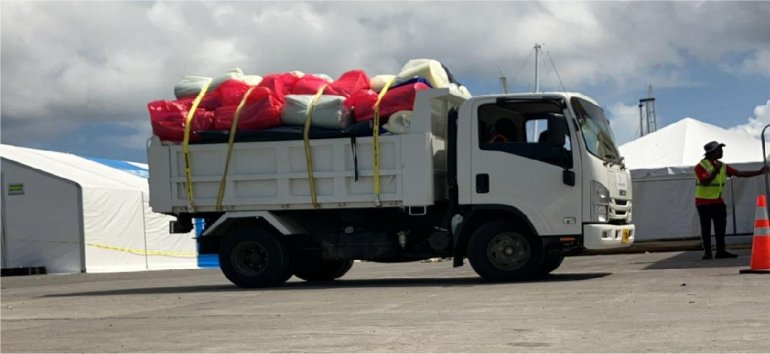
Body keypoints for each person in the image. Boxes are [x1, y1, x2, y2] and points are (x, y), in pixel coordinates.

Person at [694, 141, 769, 259]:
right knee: (706, 228)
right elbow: (705, 181)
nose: (722, 152)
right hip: (703, 202)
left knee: (720, 227)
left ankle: (720, 251)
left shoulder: (722, 166)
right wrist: (715, 170)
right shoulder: (700, 166)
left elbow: (738, 173)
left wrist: (759, 172)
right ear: (712, 153)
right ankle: (707, 253)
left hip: (718, 201)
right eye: (719, 150)